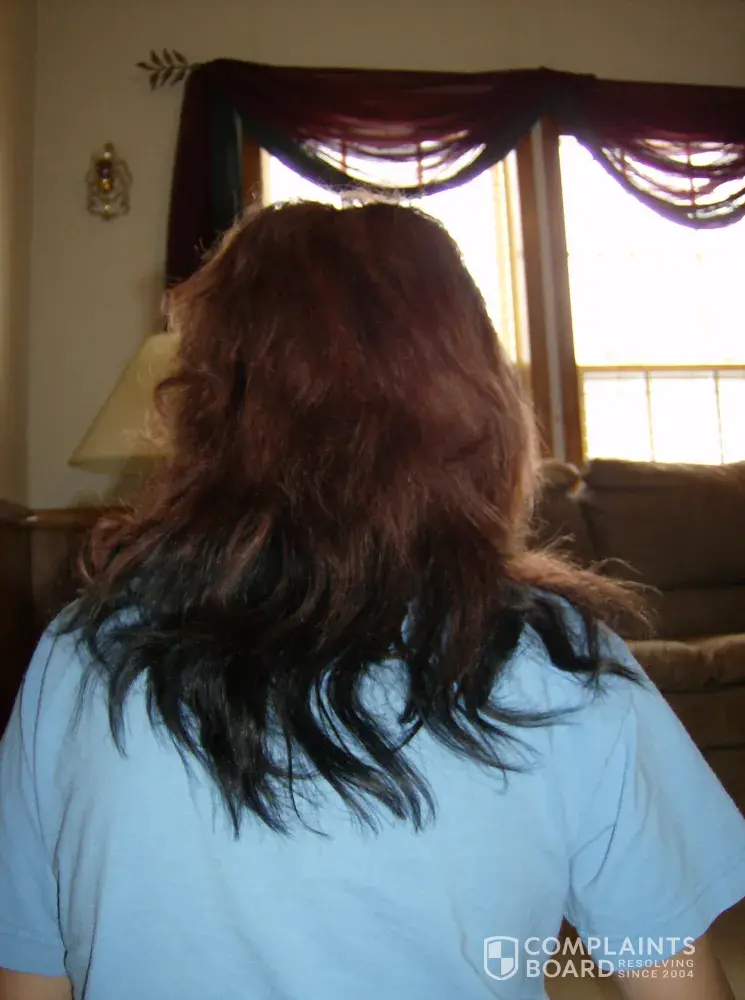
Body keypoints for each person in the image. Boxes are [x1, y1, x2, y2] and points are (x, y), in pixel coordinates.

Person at [0, 201, 743, 1000]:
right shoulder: (556, 662)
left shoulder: (78, 654)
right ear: (474, 401)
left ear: (212, 401)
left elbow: (31, 980)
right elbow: (672, 977)